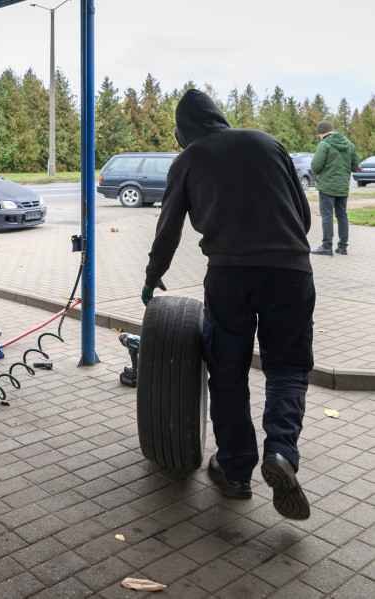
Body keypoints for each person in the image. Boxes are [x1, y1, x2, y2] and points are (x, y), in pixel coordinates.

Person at [141, 89, 315, 520]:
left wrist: (152, 274)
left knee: (228, 372)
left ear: (184, 130)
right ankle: (281, 454)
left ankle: (236, 472)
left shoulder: (187, 160)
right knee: (287, 368)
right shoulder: (267, 141)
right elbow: (304, 217)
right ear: (218, 116)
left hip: (229, 277)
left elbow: (169, 227)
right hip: (291, 272)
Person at [310, 120, 359, 256]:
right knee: (342, 215)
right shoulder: (349, 145)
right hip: (343, 186)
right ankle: (343, 247)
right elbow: (355, 165)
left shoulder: (324, 144)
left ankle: (326, 246)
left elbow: (315, 166)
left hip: (327, 186)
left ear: (321, 133)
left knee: (327, 215)